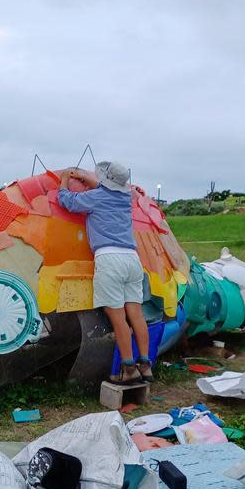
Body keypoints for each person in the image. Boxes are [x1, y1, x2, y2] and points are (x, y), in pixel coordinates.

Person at [58, 161, 152, 385]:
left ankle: (128, 368)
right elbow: (102, 186)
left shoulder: (95, 198)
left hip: (109, 259)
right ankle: (145, 365)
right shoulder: (126, 197)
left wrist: (65, 180)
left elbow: (67, 201)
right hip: (132, 259)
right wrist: (84, 177)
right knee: (136, 316)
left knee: (118, 318)